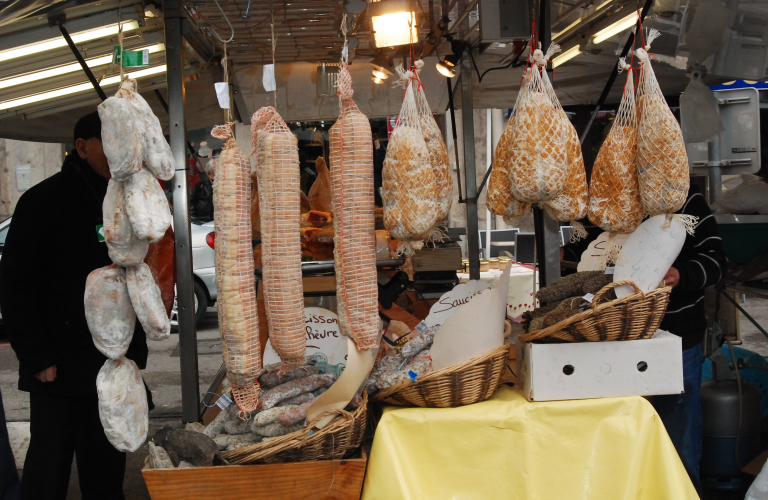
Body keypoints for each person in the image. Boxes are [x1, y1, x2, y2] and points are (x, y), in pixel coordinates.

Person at [0, 112, 150, 500]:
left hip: (110, 364)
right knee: (48, 471)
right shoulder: (42, 201)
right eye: (109, 142)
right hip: (58, 367)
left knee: (105, 470)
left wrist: (136, 351)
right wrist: (35, 356)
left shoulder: (126, 200)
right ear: (82, 147)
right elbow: (15, 286)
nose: (120, 152)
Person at [562, 185, 728, 494]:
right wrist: (564, 258)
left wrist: (681, 273)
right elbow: (579, 251)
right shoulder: (603, 198)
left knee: (677, 437)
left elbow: (716, 261)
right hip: (607, 336)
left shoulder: (684, 199)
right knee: (616, 434)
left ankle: (683, 493)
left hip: (676, 337)